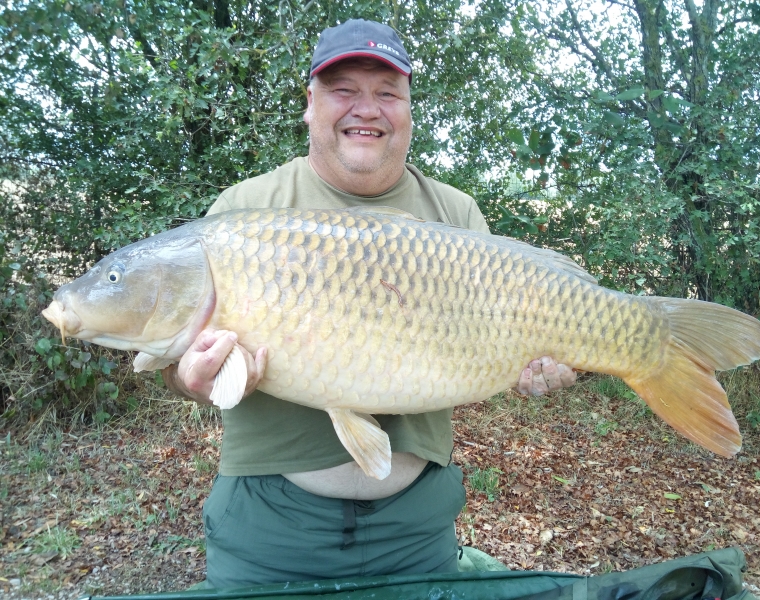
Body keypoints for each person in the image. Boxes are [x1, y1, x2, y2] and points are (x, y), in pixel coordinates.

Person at [162, 19, 577, 588]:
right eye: (343, 90)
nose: (367, 108)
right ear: (310, 104)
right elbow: (180, 362)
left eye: (387, 92)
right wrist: (191, 377)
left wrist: (541, 365)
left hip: (417, 527)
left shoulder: (455, 215)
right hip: (269, 525)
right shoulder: (246, 210)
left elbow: (500, 355)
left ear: (408, 109)